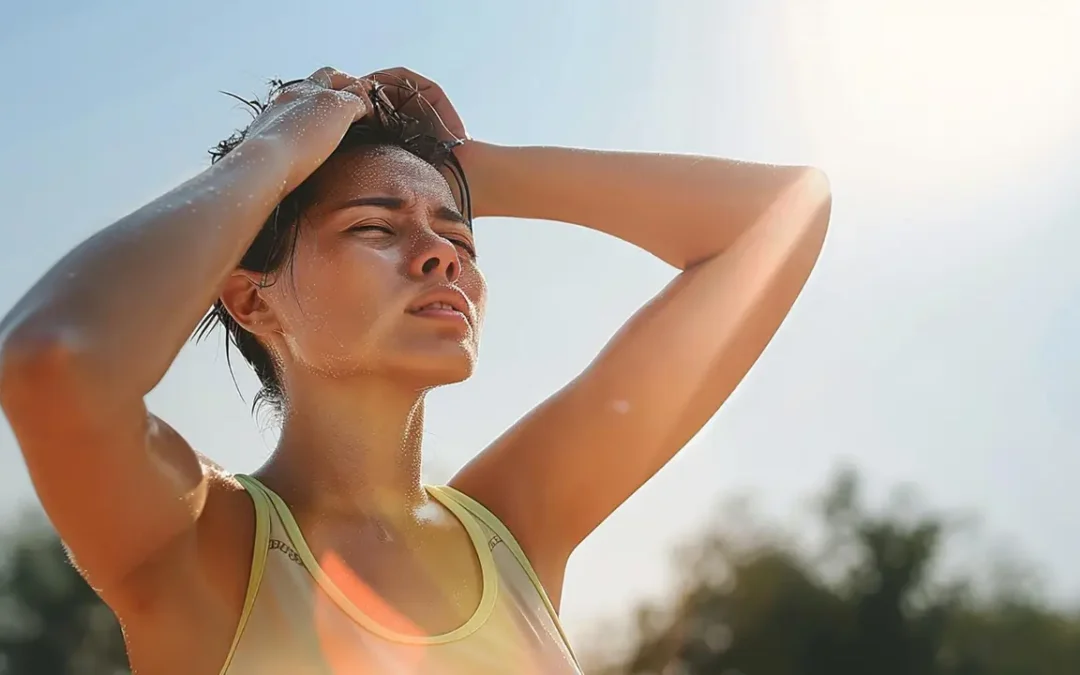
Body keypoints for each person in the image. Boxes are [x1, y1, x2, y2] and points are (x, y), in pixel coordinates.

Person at [0, 66, 831, 674]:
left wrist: (469, 168)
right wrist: (272, 155)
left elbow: (784, 214)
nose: (440, 254)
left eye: (458, 236)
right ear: (252, 301)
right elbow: (54, 361)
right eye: (376, 228)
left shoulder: (512, 529)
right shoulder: (204, 544)